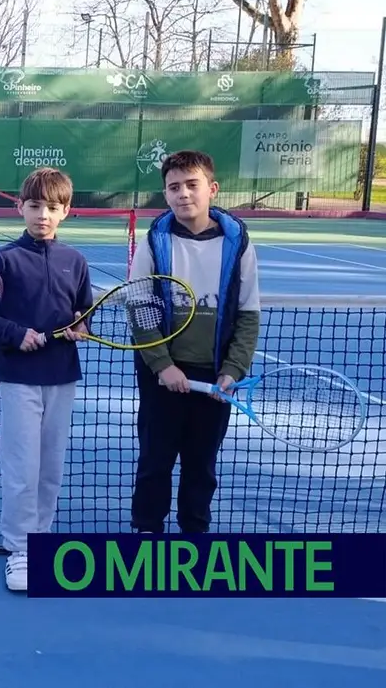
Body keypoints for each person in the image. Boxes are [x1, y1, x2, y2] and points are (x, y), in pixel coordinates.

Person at [129, 150, 260, 535]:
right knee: (155, 461)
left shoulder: (239, 245)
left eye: (192, 185)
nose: (183, 194)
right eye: (173, 187)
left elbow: (248, 316)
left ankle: (195, 534)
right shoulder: (154, 242)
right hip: (162, 375)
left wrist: (232, 370)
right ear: (165, 194)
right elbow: (140, 309)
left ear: (212, 189)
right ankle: (146, 531)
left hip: (215, 377)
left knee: (202, 465)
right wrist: (162, 365)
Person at [0, 167, 92, 592]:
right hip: (18, 378)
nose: (43, 214)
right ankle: (20, 547)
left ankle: (40, 538)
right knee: (22, 465)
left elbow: (83, 314)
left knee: (50, 466)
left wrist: (81, 328)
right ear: (21, 208)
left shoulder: (75, 262)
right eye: (35, 206)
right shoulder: (4, 259)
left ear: (66, 212)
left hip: (62, 377)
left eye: (53, 208)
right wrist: (16, 334)